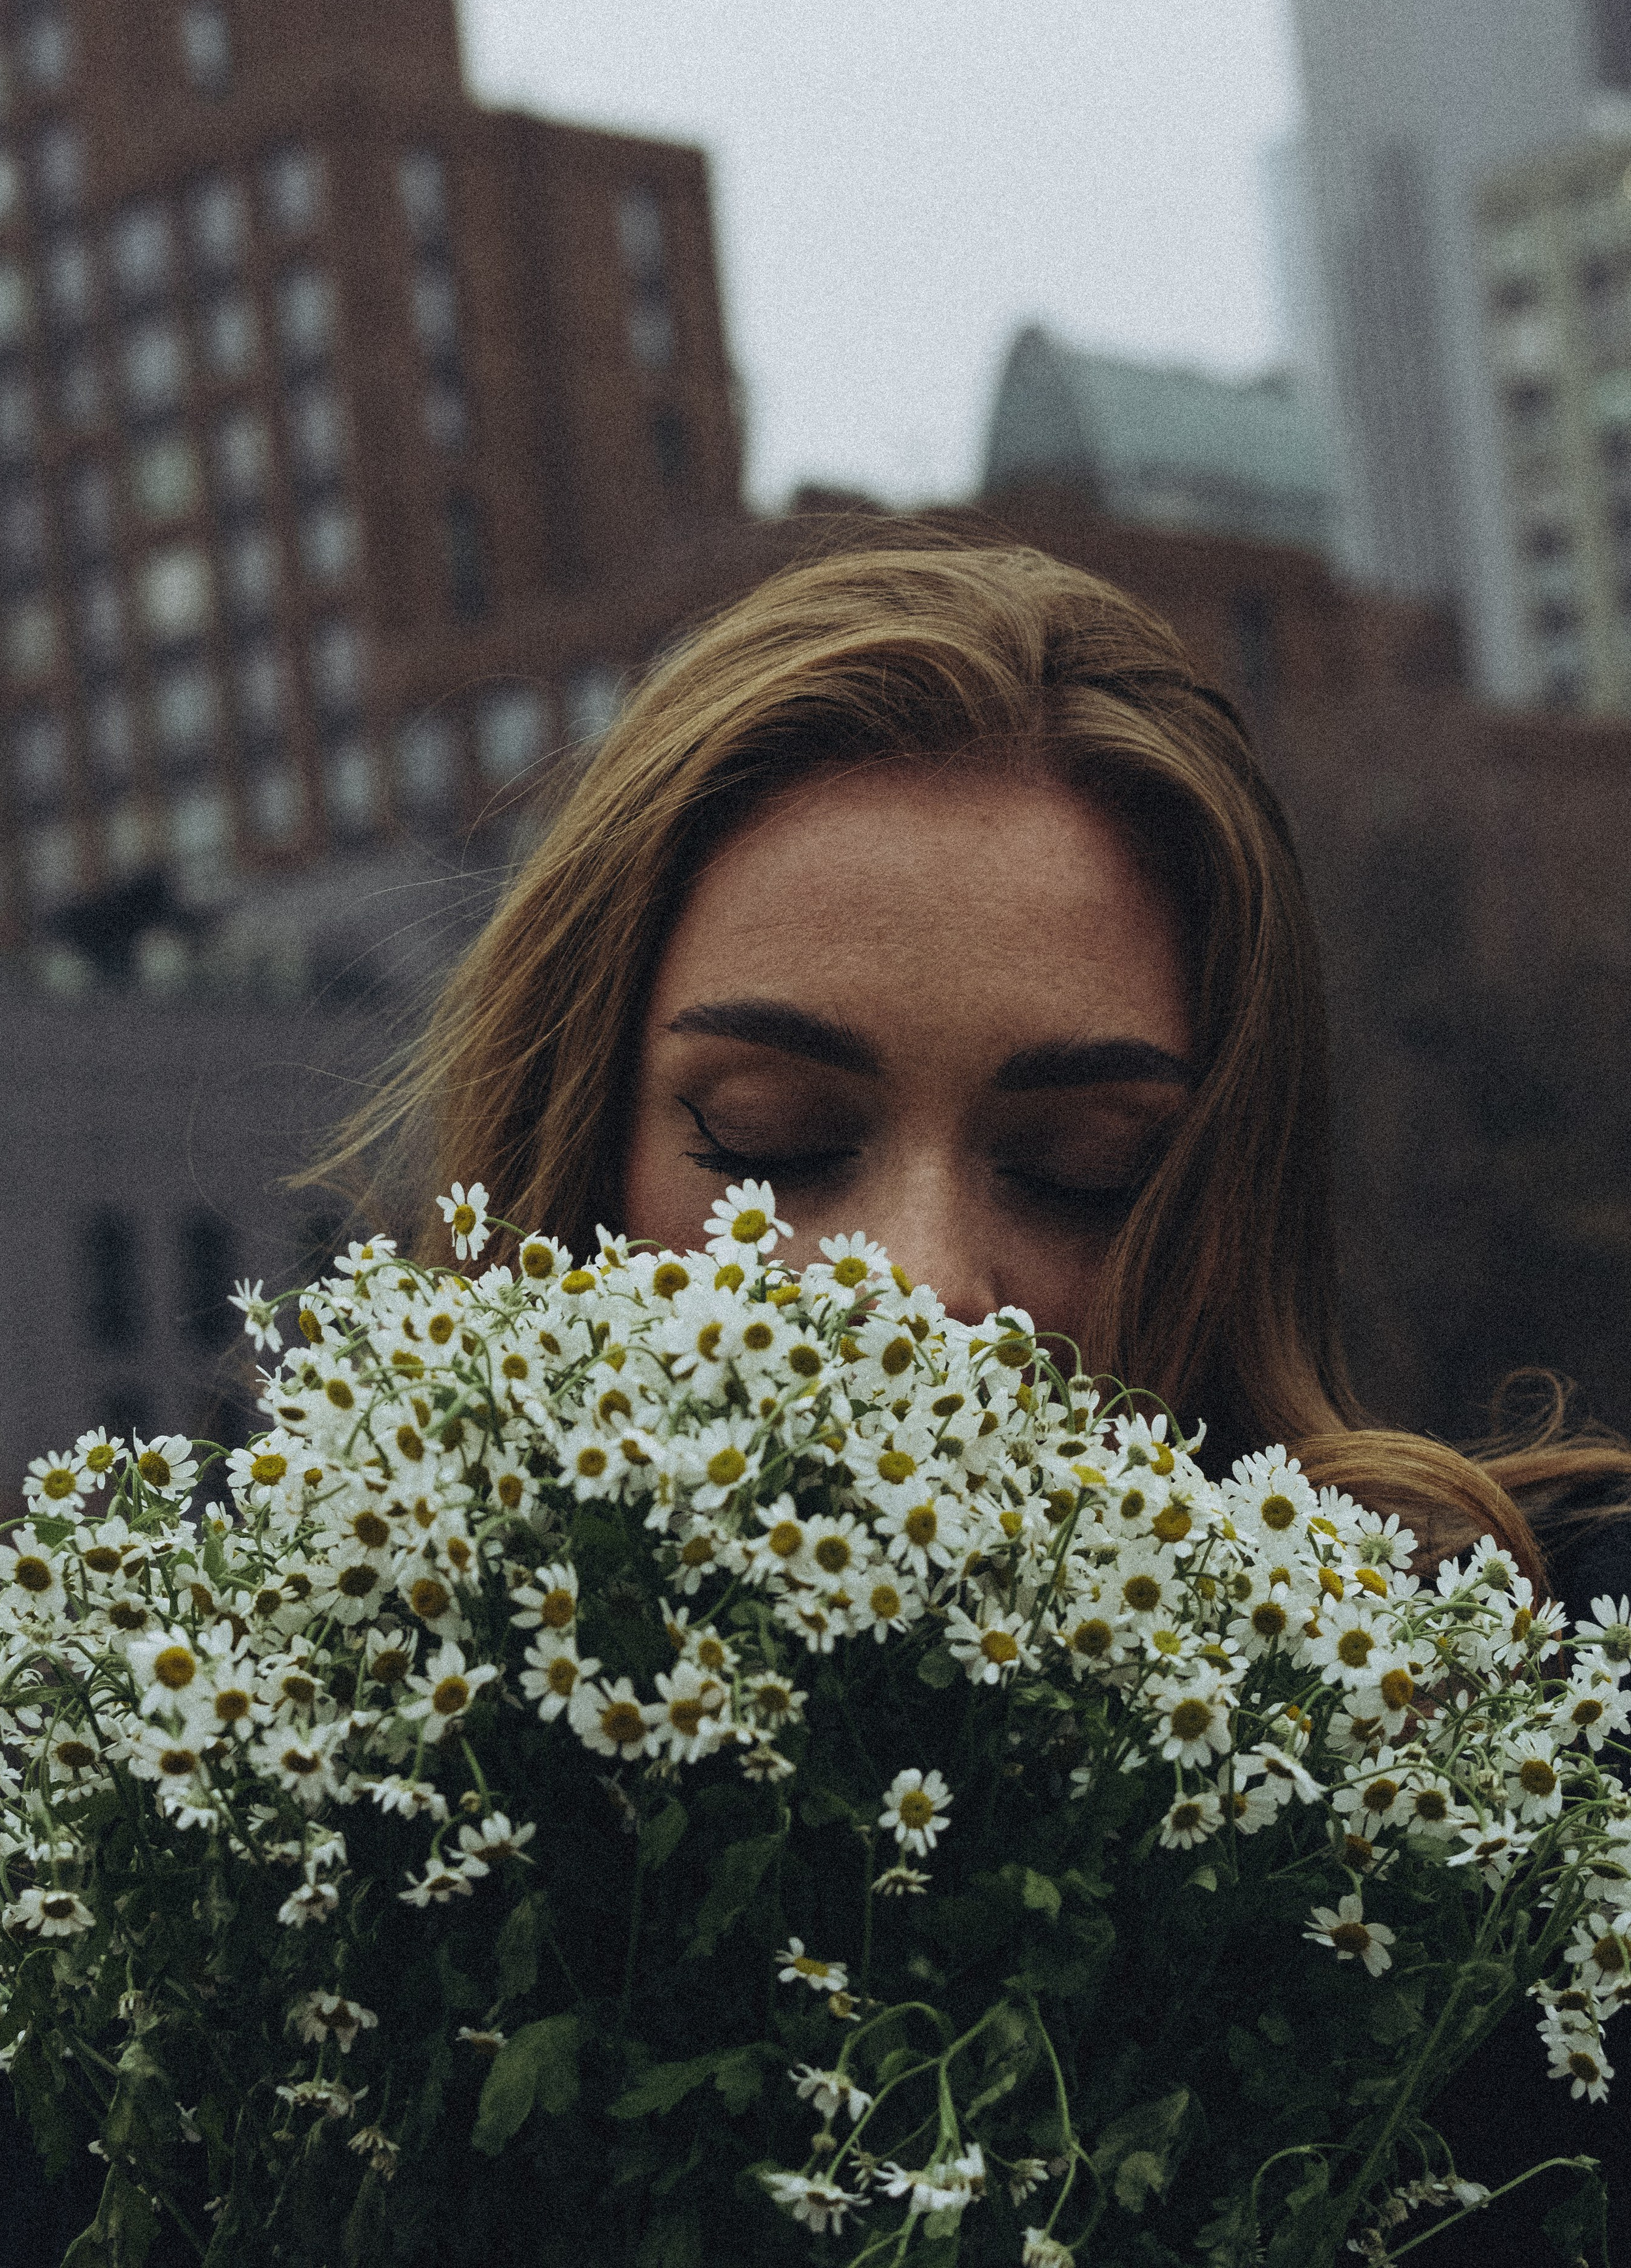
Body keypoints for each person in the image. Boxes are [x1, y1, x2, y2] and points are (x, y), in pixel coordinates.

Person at [336, 539, 1630, 2253]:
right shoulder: (313, 1914)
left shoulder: (1511, 1821)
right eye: (774, 1147)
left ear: (1225, 1223)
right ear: (570, 1167)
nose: (924, 1288)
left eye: (1081, 1169)